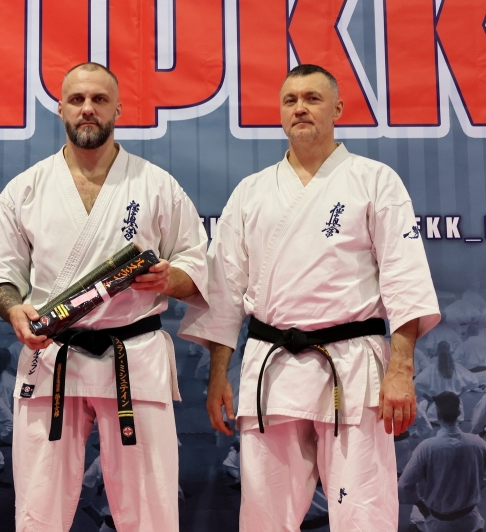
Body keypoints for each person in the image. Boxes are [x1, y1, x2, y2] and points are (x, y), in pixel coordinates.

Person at [179, 64, 440, 530]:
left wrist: (401, 369)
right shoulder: (251, 192)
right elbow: (225, 292)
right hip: (271, 369)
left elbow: (405, 278)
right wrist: (219, 374)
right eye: (290, 100)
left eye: (313, 98)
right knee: (264, 515)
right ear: (281, 113)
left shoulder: (375, 181)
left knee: (362, 512)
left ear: (337, 109)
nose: (300, 108)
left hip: (352, 368)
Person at [0, 62, 208, 531]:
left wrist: (169, 279)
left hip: (133, 354)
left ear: (118, 109)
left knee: (150, 511)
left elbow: (196, 263)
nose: (88, 109)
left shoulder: (156, 185)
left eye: (99, 100)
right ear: (60, 108)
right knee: (38, 510)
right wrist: (13, 307)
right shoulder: (26, 189)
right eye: (77, 99)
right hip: (52, 353)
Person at [399, 392, 486, 532]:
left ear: (438, 415)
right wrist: (476, 484)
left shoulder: (426, 447)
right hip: (469, 519)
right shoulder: (478, 443)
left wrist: (421, 506)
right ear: (459, 413)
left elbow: (403, 486)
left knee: (414, 520)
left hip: (438, 521)